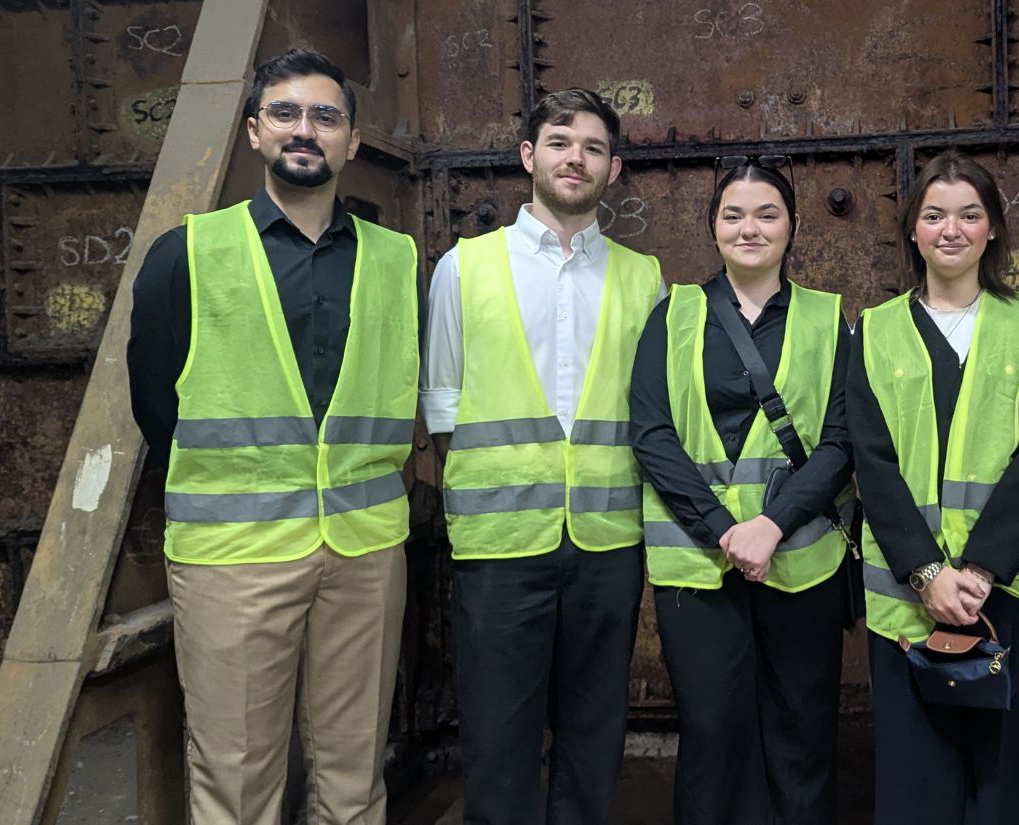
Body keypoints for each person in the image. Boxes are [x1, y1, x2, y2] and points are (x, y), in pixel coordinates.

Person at [126, 49, 419, 824]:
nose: (304, 129)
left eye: (325, 116)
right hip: (235, 560)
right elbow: (156, 403)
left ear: (352, 142)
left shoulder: (395, 260)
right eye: (285, 113)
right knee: (237, 776)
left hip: (363, 552)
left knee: (354, 777)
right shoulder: (186, 253)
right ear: (254, 132)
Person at [422, 88, 663, 825]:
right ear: (529, 155)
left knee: (595, 736)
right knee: (498, 738)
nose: (575, 158)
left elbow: (651, 415)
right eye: (560, 142)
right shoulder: (463, 270)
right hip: (498, 547)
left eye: (593, 147)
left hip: (607, 542)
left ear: (613, 169)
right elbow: (443, 409)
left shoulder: (644, 277)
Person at [630, 155, 854, 825]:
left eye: (766, 214)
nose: (748, 227)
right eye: (733, 214)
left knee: (802, 728)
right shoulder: (673, 315)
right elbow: (651, 432)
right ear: (713, 226)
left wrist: (772, 525)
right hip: (699, 565)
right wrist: (724, 530)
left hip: (801, 558)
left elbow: (842, 441)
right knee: (713, 730)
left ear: (793, 225)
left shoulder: (828, 318)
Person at [848, 149, 1019, 825]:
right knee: (918, 780)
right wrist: (926, 573)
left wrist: (977, 569)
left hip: (1010, 591)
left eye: (970, 214)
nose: (952, 229)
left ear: (994, 228)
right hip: (911, 596)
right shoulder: (873, 330)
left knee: (1010, 775)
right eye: (935, 214)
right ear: (912, 228)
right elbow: (873, 462)